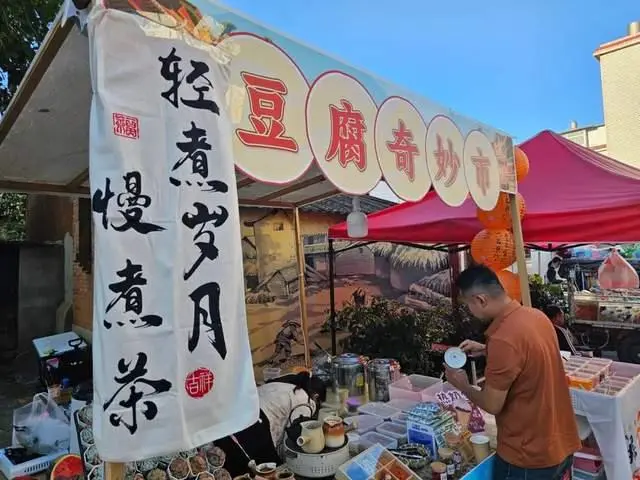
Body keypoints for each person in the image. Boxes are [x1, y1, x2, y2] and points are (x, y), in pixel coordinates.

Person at [445, 265, 580, 480]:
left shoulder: (504, 339)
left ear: (480, 300)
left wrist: (461, 384)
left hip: (527, 457)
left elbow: (492, 404)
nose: (469, 311)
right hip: (560, 443)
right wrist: (486, 349)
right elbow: (528, 356)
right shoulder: (535, 316)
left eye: (468, 305)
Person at [214, 371, 327, 477]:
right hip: (257, 425)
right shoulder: (306, 401)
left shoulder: (281, 383)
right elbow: (297, 430)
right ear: (316, 396)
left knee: (232, 467)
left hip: (234, 416)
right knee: (271, 470)